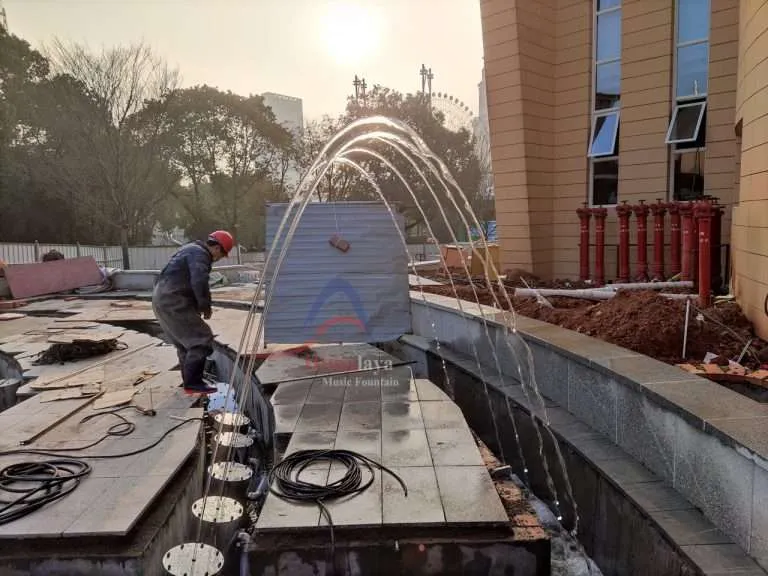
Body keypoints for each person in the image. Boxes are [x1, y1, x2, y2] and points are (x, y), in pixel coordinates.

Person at [152, 230, 234, 394]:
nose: (218, 259)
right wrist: (205, 305)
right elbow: (199, 281)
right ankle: (193, 383)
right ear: (216, 247)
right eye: (221, 254)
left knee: (185, 344)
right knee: (201, 339)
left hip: (162, 299)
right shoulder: (200, 255)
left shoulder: (190, 249)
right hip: (173, 300)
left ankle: (189, 382)